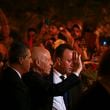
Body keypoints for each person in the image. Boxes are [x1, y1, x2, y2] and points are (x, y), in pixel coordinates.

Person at [22, 46, 82, 110]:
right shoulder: (31, 77)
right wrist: (76, 71)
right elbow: (54, 89)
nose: (51, 63)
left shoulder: (74, 81)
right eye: (48, 60)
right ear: (38, 63)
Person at [0, 41, 32, 110]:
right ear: (21, 60)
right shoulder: (15, 84)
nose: (31, 61)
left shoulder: (8, 74)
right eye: (29, 57)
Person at [52, 44, 83, 110]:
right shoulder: (47, 79)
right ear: (58, 61)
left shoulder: (74, 81)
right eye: (69, 61)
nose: (72, 64)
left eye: (73, 61)